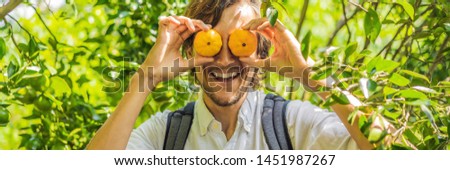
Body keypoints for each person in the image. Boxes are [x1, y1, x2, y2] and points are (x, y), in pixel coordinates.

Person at [86, 0, 377, 150]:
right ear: (191, 51)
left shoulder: (292, 126)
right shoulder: (164, 135)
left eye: (240, 44)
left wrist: (310, 76)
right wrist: (145, 79)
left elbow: (392, 149)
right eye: (211, 45)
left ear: (260, 52)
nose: (225, 60)